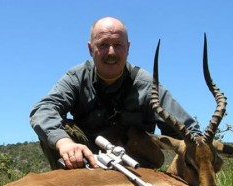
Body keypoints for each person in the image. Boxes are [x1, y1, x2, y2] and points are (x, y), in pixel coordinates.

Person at [30, 17, 201, 170]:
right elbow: (43, 110)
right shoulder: (76, 77)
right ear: (91, 49)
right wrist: (64, 142)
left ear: (128, 48)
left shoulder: (147, 84)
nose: (111, 52)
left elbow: (188, 132)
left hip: (137, 165)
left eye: (118, 45)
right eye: (103, 45)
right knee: (58, 131)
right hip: (89, 161)